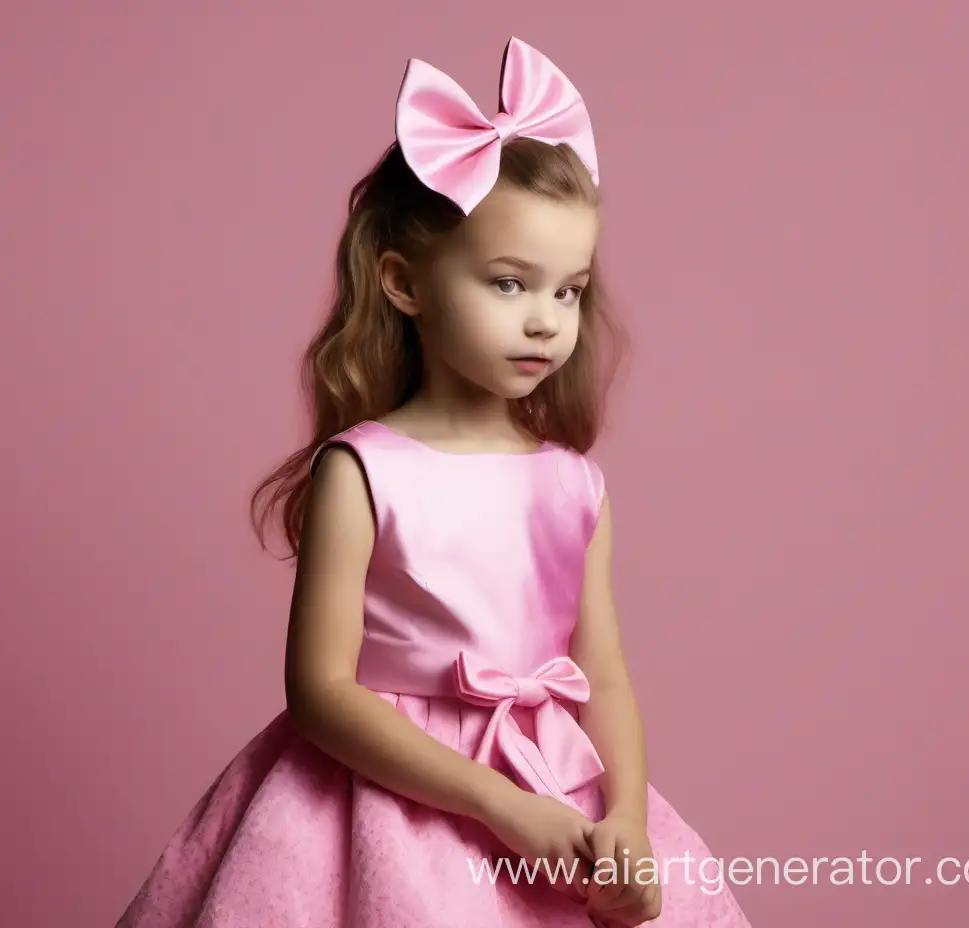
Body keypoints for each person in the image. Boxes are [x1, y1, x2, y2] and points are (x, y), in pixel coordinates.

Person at [116, 36, 753, 928]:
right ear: (404, 283)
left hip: (555, 790)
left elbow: (603, 673)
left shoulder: (574, 486)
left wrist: (627, 822)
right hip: (387, 806)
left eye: (567, 292)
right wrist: (497, 805)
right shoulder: (365, 471)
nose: (545, 319)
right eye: (508, 283)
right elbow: (321, 693)